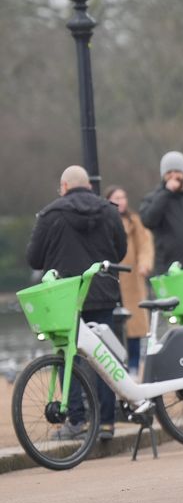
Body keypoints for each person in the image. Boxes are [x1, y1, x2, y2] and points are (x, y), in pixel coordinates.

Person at [26, 166, 127, 440]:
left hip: (66, 297)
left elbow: (34, 258)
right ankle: (106, 423)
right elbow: (121, 250)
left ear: (64, 186)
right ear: (90, 187)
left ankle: (77, 421)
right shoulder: (109, 211)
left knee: (66, 356)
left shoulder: (51, 214)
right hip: (103, 292)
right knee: (104, 357)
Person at [105, 186, 154, 377]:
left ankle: (134, 369)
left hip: (132, 280)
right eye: (117, 197)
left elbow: (145, 246)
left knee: (135, 327)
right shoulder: (106, 221)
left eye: (123, 197)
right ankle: (118, 369)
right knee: (114, 328)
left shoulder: (135, 222)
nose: (121, 201)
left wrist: (144, 265)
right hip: (112, 280)